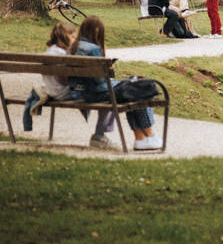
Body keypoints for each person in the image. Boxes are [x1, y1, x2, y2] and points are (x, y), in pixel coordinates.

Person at [69, 17, 161, 150]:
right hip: (97, 93)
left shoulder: (72, 47)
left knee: (133, 86)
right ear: (96, 30)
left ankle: (141, 137)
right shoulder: (93, 49)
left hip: (77, 92)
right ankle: (148, 135)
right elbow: (100, 81)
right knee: (139, 88)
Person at [19, 22, 76, 132]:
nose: (75, 40)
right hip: (63, 93)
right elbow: (64, 81)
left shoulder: (50, 51)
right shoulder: (63, 56)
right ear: (63, 38)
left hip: (50, 91)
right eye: (73, 37)